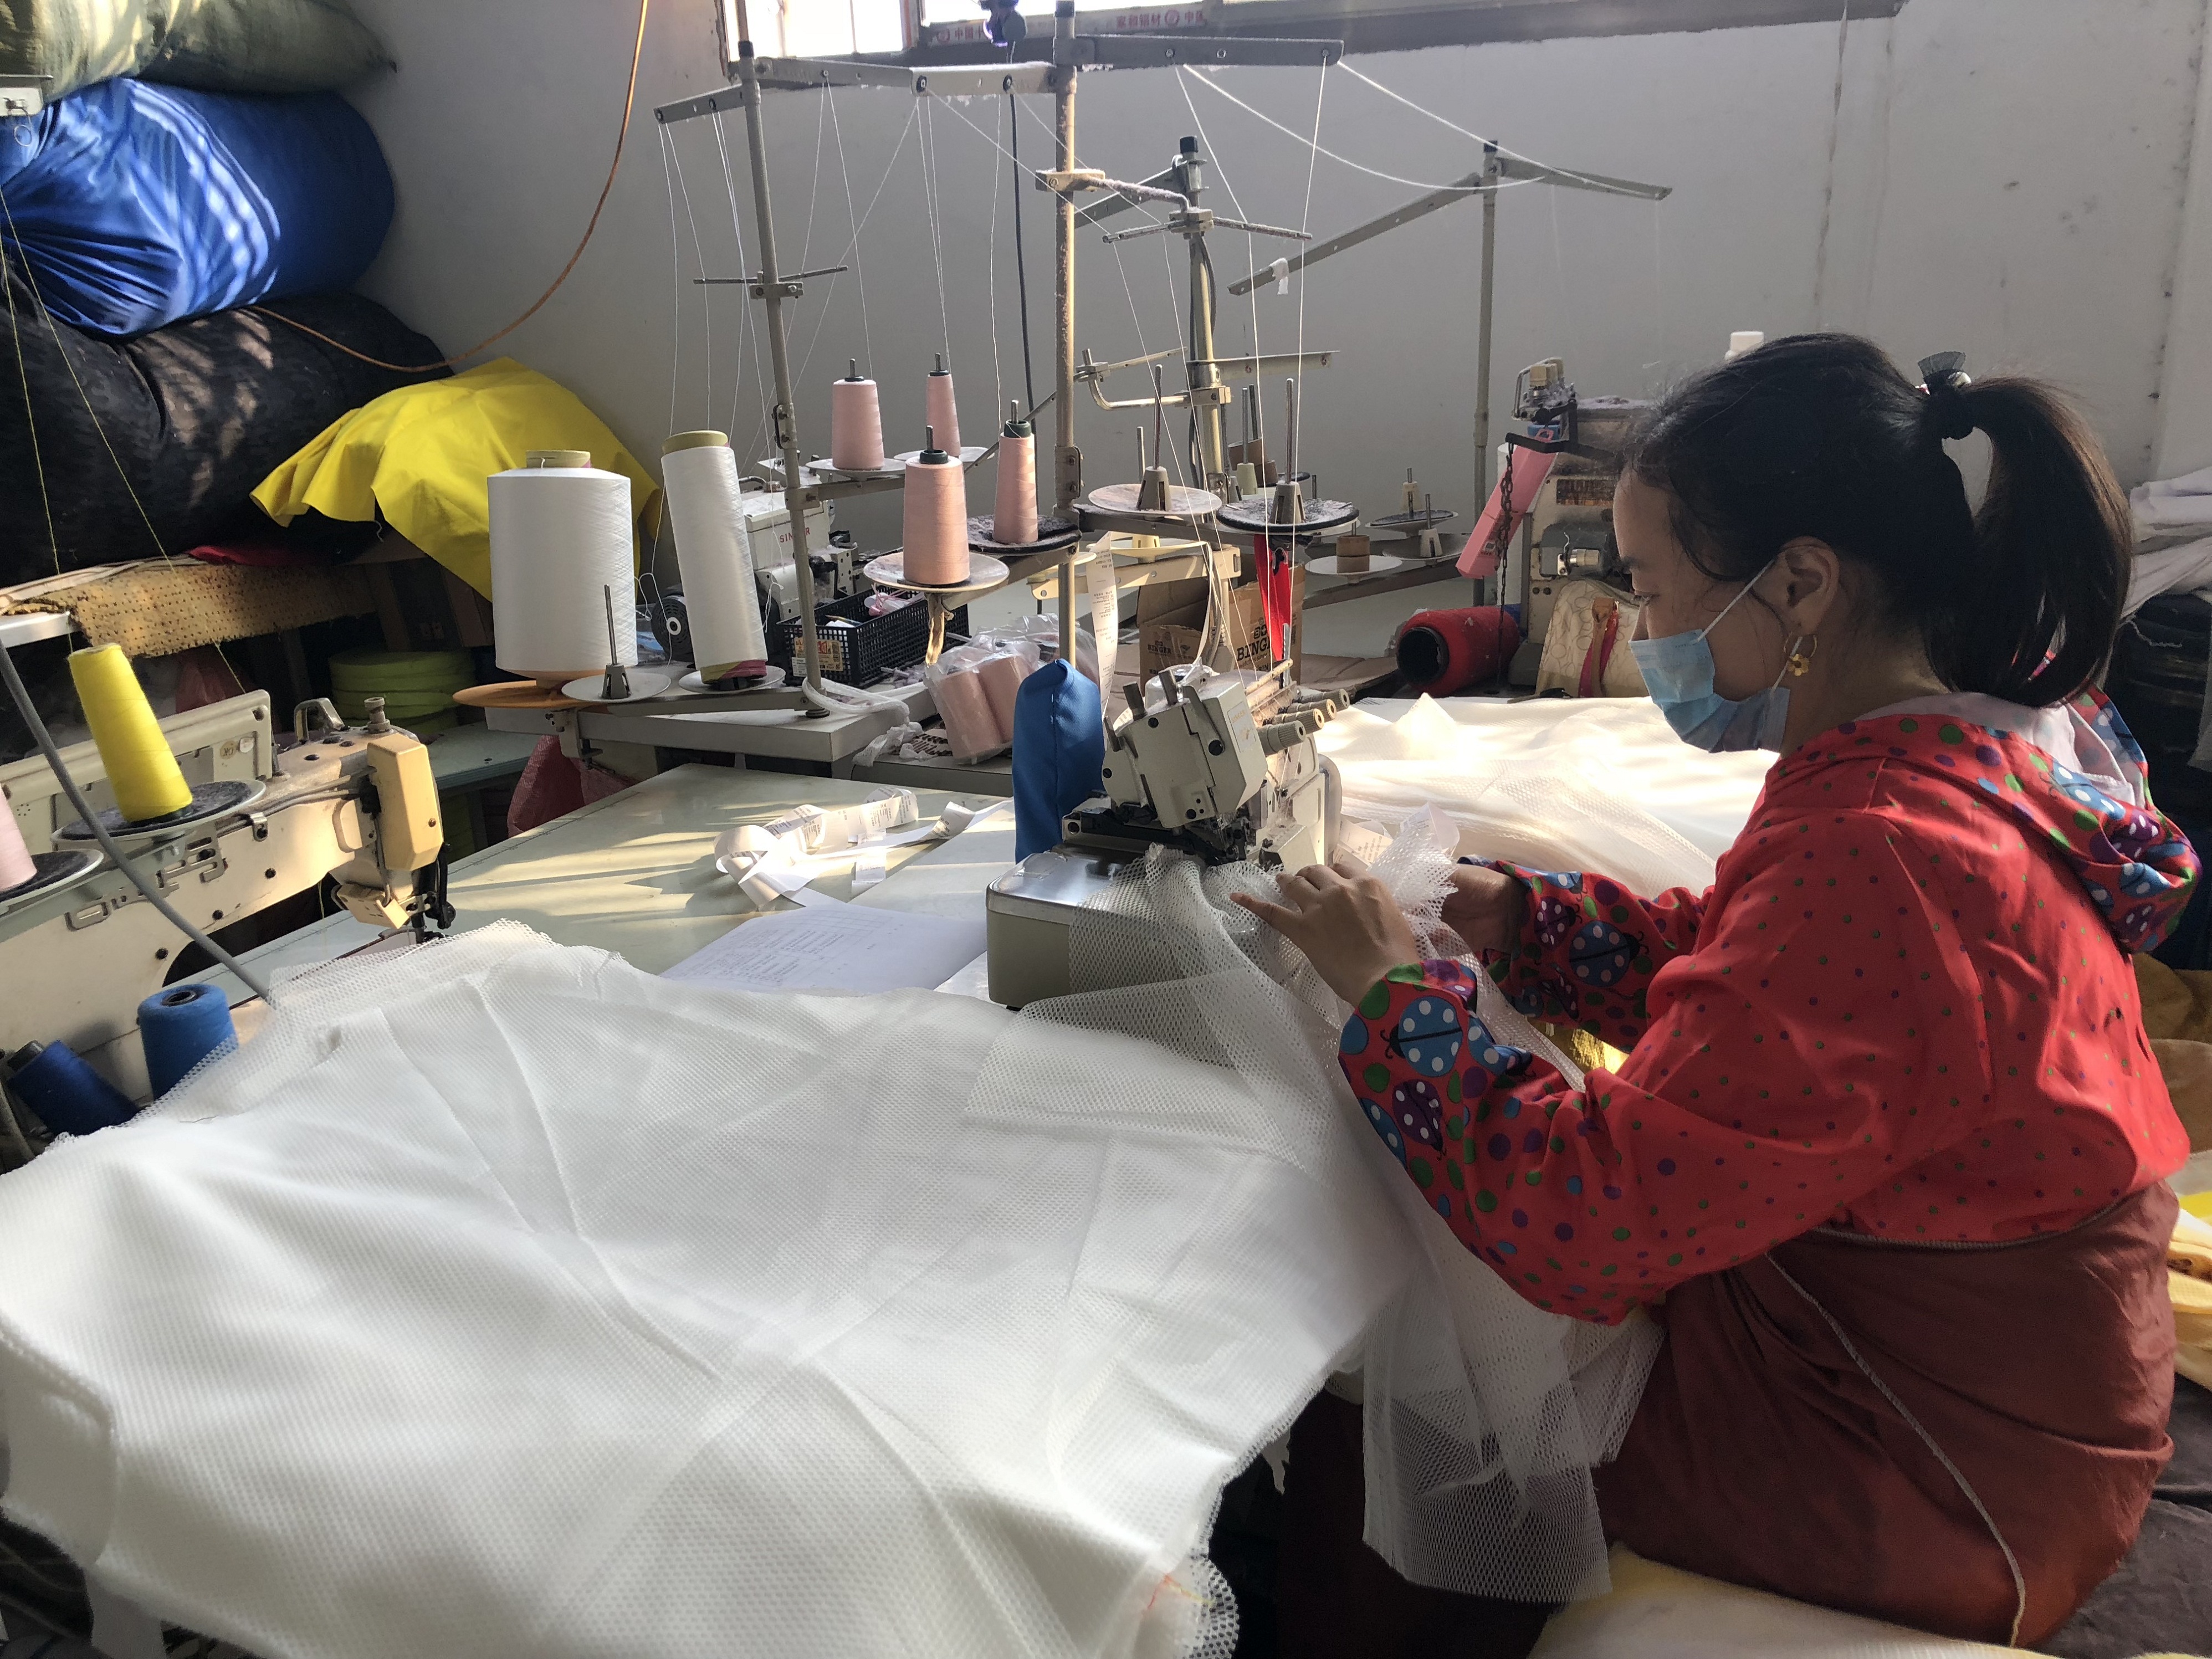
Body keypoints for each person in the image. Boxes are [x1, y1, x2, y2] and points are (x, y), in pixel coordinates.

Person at [1237, 334, 2196, 1648]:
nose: (1640, 634)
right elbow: (1764, 984)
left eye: (1646, 589)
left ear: (1800, 582)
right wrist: (1529, 921)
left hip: (1930, 1473)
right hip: (2024, 1401)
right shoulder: (1976, 751)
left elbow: (1586, 1225)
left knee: (1420, 1389)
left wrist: (1392, 997)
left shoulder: (1881, 853)